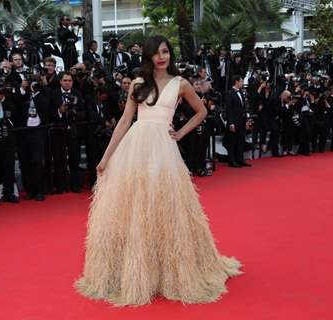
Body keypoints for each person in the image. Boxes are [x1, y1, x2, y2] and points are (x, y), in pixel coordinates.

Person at [75, 35, 242, 306]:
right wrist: (106, 158)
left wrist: (180, 133)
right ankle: (138, 271)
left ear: (170, 54)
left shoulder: (181, 84)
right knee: (136, 205)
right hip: (135, 148)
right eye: (156, 52)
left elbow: (201, 112)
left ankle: (167, 270)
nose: (161, 56)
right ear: (149, 57)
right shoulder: (139, 83)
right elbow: (125, 121)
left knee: (165, 207)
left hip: (164, 150)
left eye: (165, 51)